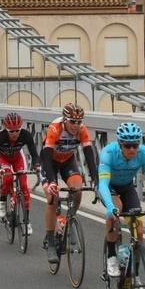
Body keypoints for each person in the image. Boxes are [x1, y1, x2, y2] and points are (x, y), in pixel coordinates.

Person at [97, 122, 145, 278]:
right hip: (109, 187)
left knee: (139, 230)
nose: (132, 150)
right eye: (127, 146)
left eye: (135, 145)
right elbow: (103, 184)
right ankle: (111, 257)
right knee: (116, 209)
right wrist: (110, 207)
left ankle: (134, 274)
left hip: (127, 187)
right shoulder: (109, 152)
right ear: (120, 144)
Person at [41, 103, 98, 264]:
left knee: (77, 190)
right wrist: (52, 182)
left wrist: (95, 179)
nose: (76, 125)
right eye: (72, 121)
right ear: (65, 120)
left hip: (67, 161)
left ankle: (70, 218)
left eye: (79, 122)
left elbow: (89, 155)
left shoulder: (82, 130)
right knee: (53, 198)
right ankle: (50, 241)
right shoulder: (55, 128)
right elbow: (46, 157)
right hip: (49, 162)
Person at [0, 112, 40, 233]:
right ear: (5, 129)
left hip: (17, 158)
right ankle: (2, 201)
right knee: (7, 178)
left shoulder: (26, 135)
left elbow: (34, 154)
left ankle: (27, 221)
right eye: (11, 131)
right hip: (3, 158)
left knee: (23, 186)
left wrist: (36, 165)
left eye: (17, 130)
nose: (15, 134)